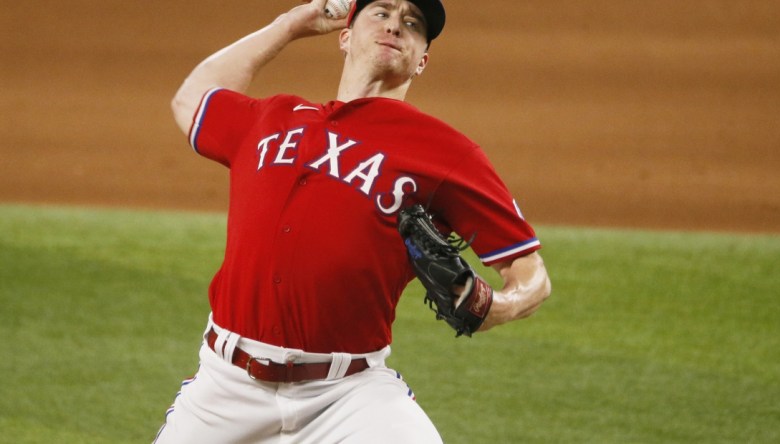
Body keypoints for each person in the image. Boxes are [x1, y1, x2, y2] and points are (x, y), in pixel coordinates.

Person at [155, 0, 551, 442]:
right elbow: (192, 98)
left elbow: (531, 273)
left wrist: (501, 306)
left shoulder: (447, 153)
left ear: (422, 60)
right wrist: (289, 25)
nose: (395, 25)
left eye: (412, 23)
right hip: (226, 389)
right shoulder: (273, 118)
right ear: (344, 36)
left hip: (348, 395)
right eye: (380, 13)